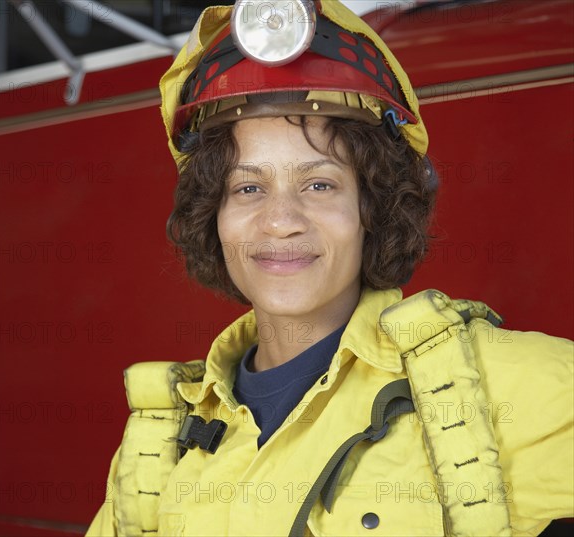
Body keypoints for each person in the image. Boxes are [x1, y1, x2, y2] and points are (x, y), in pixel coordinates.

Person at [87, 1, 573, 535]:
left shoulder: (518, 388)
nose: (281, 222)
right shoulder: (157, 445)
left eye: (319, 184)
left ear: (373, 207)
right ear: (215, 217)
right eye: (248, 188)